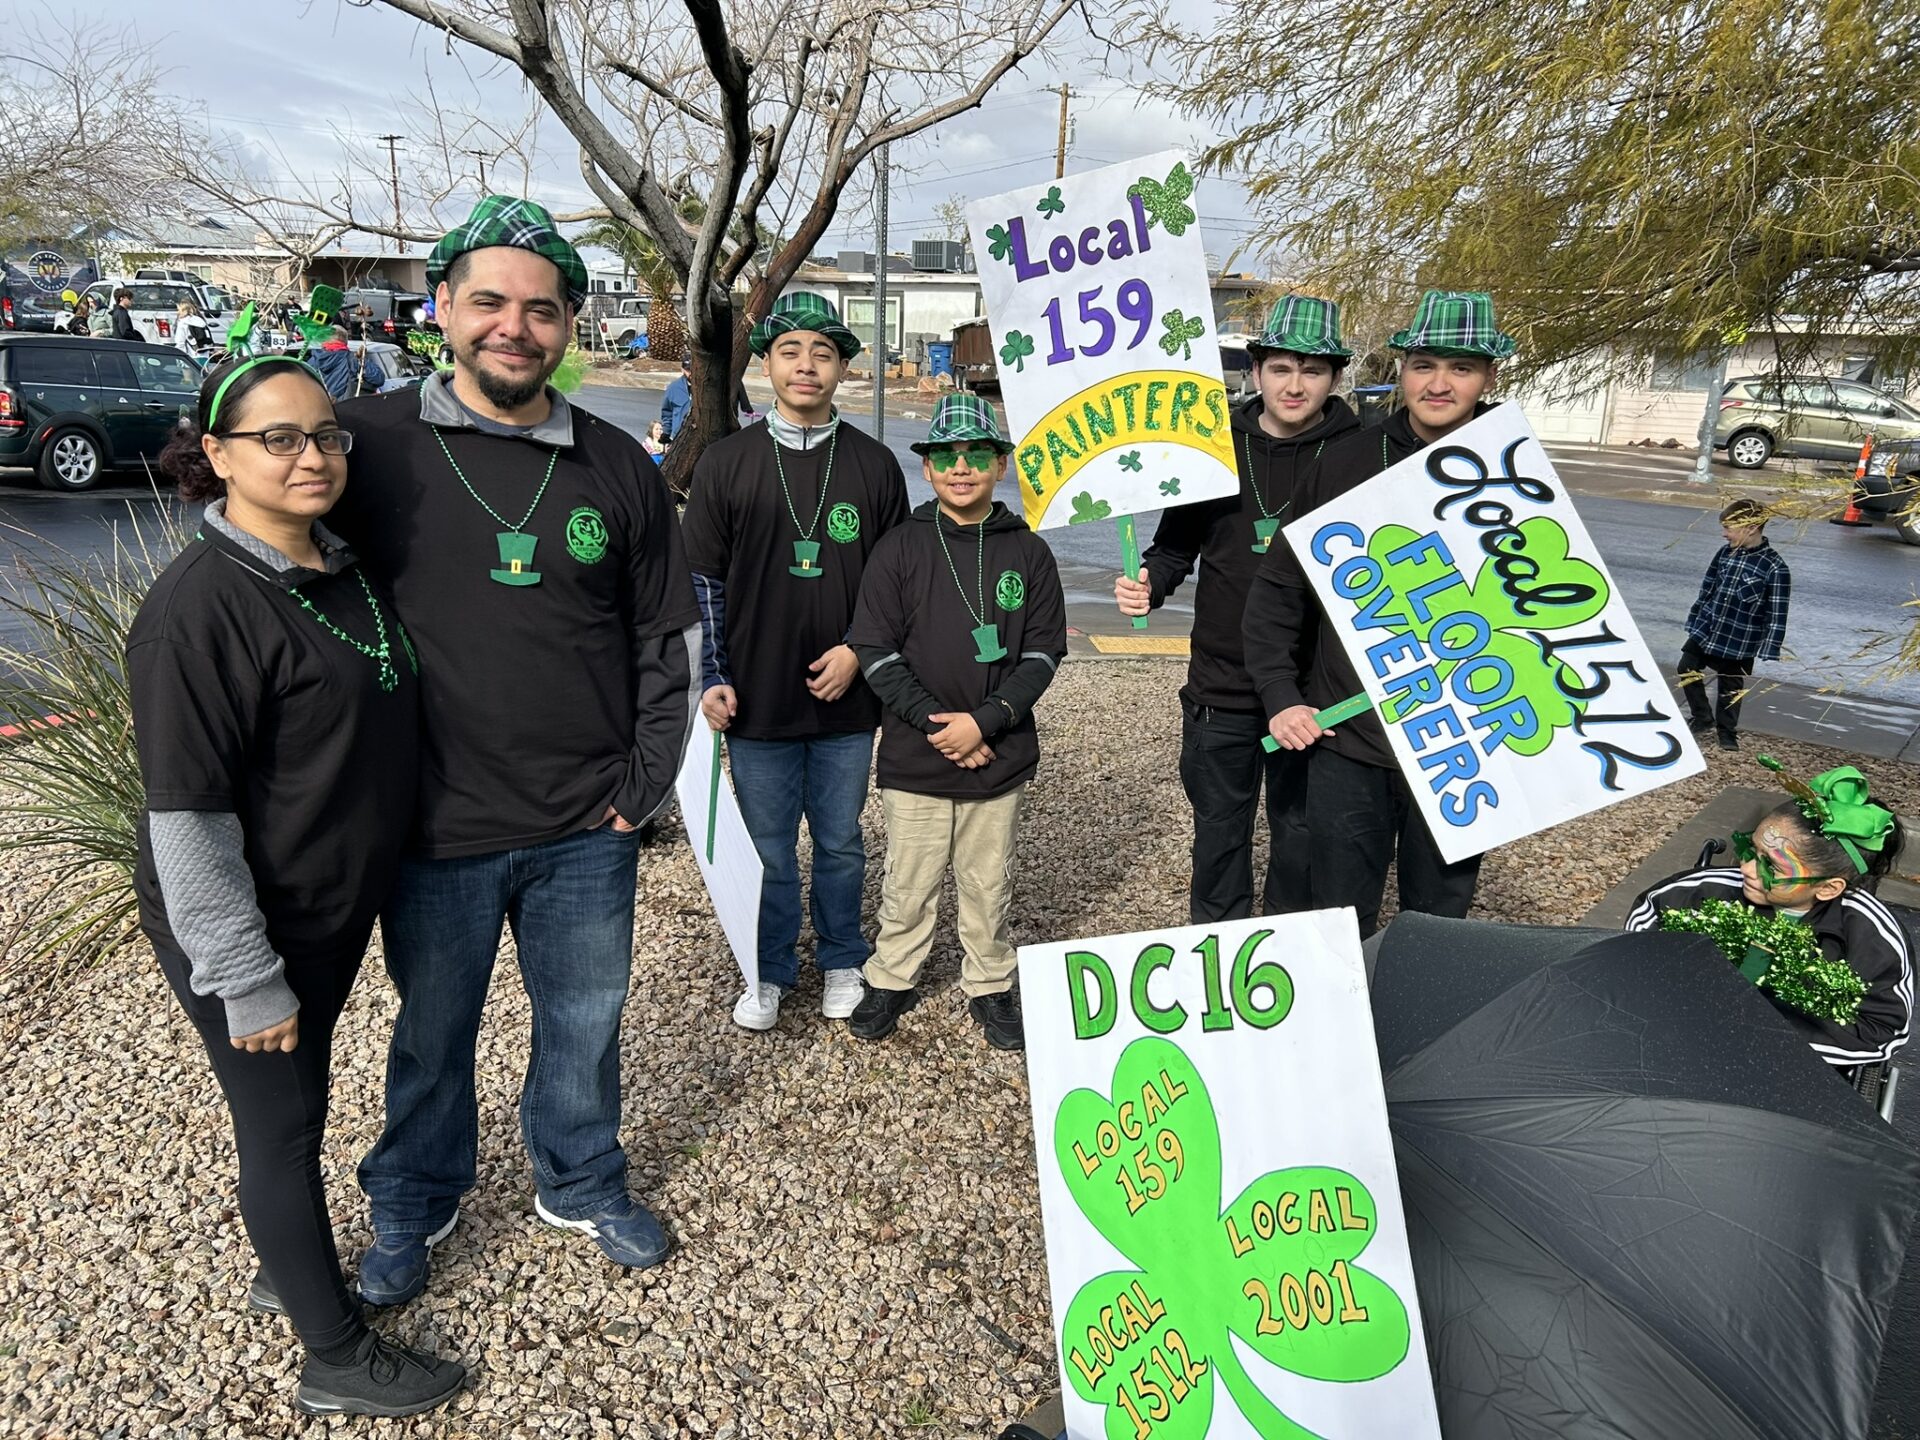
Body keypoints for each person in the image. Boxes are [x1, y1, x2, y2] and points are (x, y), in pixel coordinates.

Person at [327, 195, 701, 1304]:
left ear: (571, 326)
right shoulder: (370, 446)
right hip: (432, 824)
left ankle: (580, 1177)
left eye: (542, 309)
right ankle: (412, 1197)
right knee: (432, 1033)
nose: (514, 327)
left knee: (584, 1026)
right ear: (441, 306)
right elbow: (287, 594)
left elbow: (666, 641)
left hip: (587, 824)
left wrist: (641, 788)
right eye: (488, 300)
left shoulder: (616, 468)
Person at [131, 355, 463, 1417]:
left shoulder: (337, 565)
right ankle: (333, 1352)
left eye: (324, 434)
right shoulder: (199, 612)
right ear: (216, 454)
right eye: (276, 438)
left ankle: (296, 1263)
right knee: (279, 1128)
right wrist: (244, 975)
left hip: (328, 908)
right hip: (251, 924)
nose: (310, 455)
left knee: (303, 1111)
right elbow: (187, 815)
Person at [1244, 289, 1515, 937]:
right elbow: (1279, 593)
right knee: (1338, 918)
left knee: (1441, 923)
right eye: (1425, 364)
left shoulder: (1515, 473)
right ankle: (1340, 1037)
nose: (1440, 383)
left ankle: (1418, 1037)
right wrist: (1282, 697)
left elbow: (1547, 618)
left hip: (1465, 745)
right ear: (1401, 369)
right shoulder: (1343, 463)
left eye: (1462, 367)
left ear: (1489, 377)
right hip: (1350, 746)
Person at [680, 292, 909, 1031]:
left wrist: (857, 652)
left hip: (848, 700)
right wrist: (710, 677)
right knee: (771, 848)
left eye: (822, 352)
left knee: (841, 842)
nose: (806, 365)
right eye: (790, 351)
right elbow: (704, 585)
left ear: (842, 366)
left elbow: (896, 585)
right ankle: (769, 967)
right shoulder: (726, 463)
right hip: (755, 698)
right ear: (768, 363)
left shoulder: (875, 467)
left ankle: (843, 956)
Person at [1115, 295, 1358, 922]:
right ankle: (1222, 958)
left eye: (1312, 370)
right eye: (1281, 368)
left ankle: (1290, 956)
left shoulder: (1358, 453)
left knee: (1301, 836)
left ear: (1335, 377)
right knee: (1219, 836)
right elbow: (1175, 548)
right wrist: (1149, 579)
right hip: (1221, 685)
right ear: (1256, 371)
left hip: (1315, 688)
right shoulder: (1212, 448)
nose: (1295, 384)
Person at [846, 394, 1066, 1050]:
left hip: (999, 752)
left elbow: (1041, 653)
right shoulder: (900, 548)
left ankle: (990, 982)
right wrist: (945, 727)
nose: (961, 468)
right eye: (946, 456)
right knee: (908, 878)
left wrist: (989, 721)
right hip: (918, 752)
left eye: (976, 455)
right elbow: (875, 650)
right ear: (929, 467)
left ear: (1001, 465)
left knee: (987, 878)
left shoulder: (1028, 553)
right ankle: (892, 976)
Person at [1625, 758, 1911, 1071]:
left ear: (1828, 888)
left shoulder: (1870, 937)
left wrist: (1760, 1035)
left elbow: (1881, 1031)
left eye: (1771, 866)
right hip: (1677, 1038)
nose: (1745, 869)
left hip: (1791, 1065)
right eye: (1751, 850)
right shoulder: (1700, 891)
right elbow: (1640, 941)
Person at [1678, 498, 1790, 752]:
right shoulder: (1725, 554)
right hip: (1708, 627)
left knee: (1730, 686)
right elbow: (1708, 588)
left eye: (1729, 528)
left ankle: (1727, 733)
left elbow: (1777, 611)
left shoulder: (1775, 567)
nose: (1724, 534)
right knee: (1687, 667)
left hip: (1740, 638)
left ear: (1750, 528)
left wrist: (1770, 646)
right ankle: (1702, 716)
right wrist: (1696, 618)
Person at [308, 325, 388, 400]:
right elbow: (379, 379)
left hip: (321, 409)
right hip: (346, 408)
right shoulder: (354, 359)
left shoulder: (311, 362)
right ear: (345, 341)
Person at [661, 355, 692, 440]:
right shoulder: (673, 388)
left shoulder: (706, 387)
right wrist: (666, 432)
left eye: (693, 370)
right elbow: (667, 412)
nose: (691, 373)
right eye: (688, 370)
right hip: (678, 437)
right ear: (682, 370)